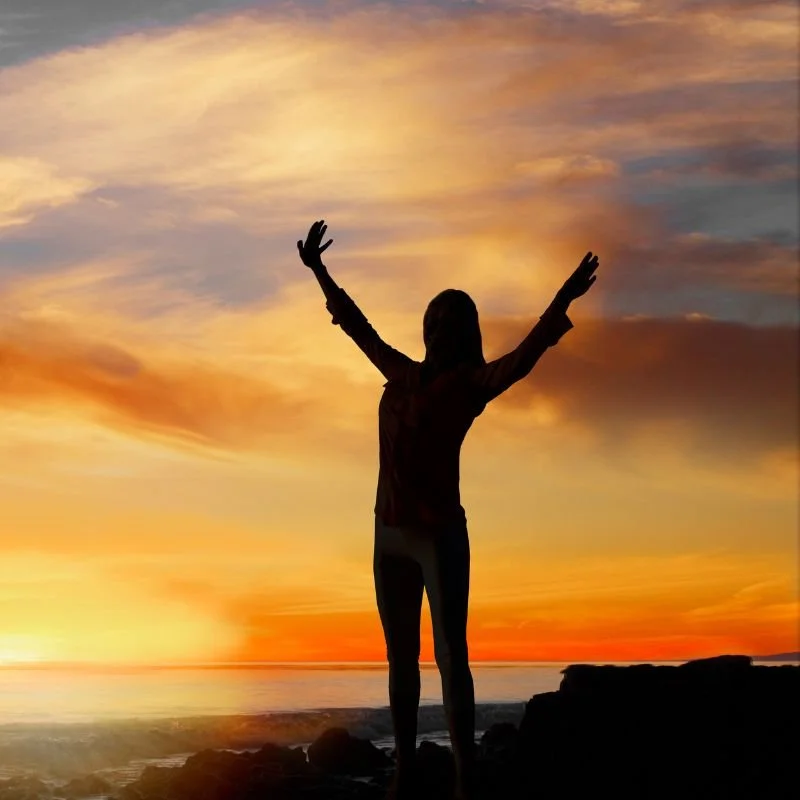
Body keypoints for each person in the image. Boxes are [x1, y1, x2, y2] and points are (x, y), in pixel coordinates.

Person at [297, 220, 599, 799]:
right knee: (400, 659)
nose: (436, 331)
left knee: (451, 656)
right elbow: (356, 327)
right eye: (432, 321)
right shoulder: (401, 373)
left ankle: (465, 779)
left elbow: (524, 357)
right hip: (388, 533)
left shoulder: (469, 385)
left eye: (448, 324)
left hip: (438, 536)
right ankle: (405, 772)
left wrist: (562, 300)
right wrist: (319, 270)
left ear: (462, 334)